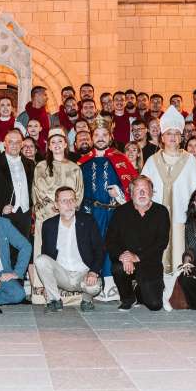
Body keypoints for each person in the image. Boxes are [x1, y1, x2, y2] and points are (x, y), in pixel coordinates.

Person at [79, 117, 137, 298]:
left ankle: (112, 284)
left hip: (114, 212)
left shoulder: (120, 159)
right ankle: (94, 283)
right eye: (97, 134)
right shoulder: (83, 162)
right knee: (92, 245)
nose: (100, 138)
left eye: (104, 134)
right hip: (91, 212)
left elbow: (132, 186)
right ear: (91, 137)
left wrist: (119, 194)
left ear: (110, 137)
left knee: (112, 245)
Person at [141, 107, 196, 275]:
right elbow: (143, 191)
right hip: (156, 220)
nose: (173, 137)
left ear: (181, 137)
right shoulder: (152, 161)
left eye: (177, 133)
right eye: (169, 133)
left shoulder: (190, 161)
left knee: (180, 263)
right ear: (162, 137)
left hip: (181, 219)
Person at [30, 128, 84, 303]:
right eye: (53, 142)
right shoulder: (41, 166)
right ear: (49, 146)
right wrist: (55, 207)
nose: (57, 145)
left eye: (60, 141)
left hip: (68, 217)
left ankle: (66, 289)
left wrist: (66, 209)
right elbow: (39, 190)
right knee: (44, 251)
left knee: (66, 249)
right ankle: (42, 289)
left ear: (66, 144)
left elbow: (79, 193)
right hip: (47, 215)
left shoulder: (75, 168)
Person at [105, 176, 170, 311]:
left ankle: (140, 291)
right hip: (126, 263)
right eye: (138, 189)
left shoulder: (161, 212)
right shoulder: (120, 212)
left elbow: (162, 242)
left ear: (152, 192)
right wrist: (124, 256)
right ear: (131, 193)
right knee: (118, 268)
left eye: (145, 189)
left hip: (150, 262)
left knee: (154, 305)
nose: (142, 193)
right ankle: (128, 298)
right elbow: (110, 240)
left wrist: (138, 257)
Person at [36, 186, 104, 312]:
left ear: (76, 202)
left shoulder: (88, 221)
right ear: (56, 205)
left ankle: (87, 300)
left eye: (72, 200)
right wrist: (47, 284)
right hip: (62, 274)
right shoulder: (48, 225)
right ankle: (54, 300)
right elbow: (46, 255)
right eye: (64, 201)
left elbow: (100, 249)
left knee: (94, 287)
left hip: (84, 274)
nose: (69, 204)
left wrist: (93, 272)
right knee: (40, 260)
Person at [0, 129, 35, 267]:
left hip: (25, 214)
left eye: (18, 142)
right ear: (4, 144)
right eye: (11, 142)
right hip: (4, 215)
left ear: (22, 144)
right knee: (4, 251)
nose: (14, 145)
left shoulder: (30, 164)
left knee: (23, 250)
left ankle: (19, 278)